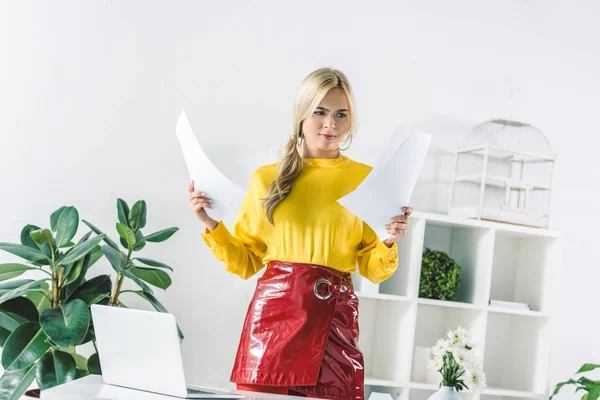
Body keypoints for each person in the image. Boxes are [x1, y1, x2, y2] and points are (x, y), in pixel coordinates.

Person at [188, 67, 411, 400]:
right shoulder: (266, 179)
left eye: (340, 114)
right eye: (320, 112)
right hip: (271, 326)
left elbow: (373, 268)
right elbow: (247, 261)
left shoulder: (368, 181)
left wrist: (390, 238)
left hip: (333, 322)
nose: (330, 125)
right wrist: (210, 224)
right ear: (301, 115)